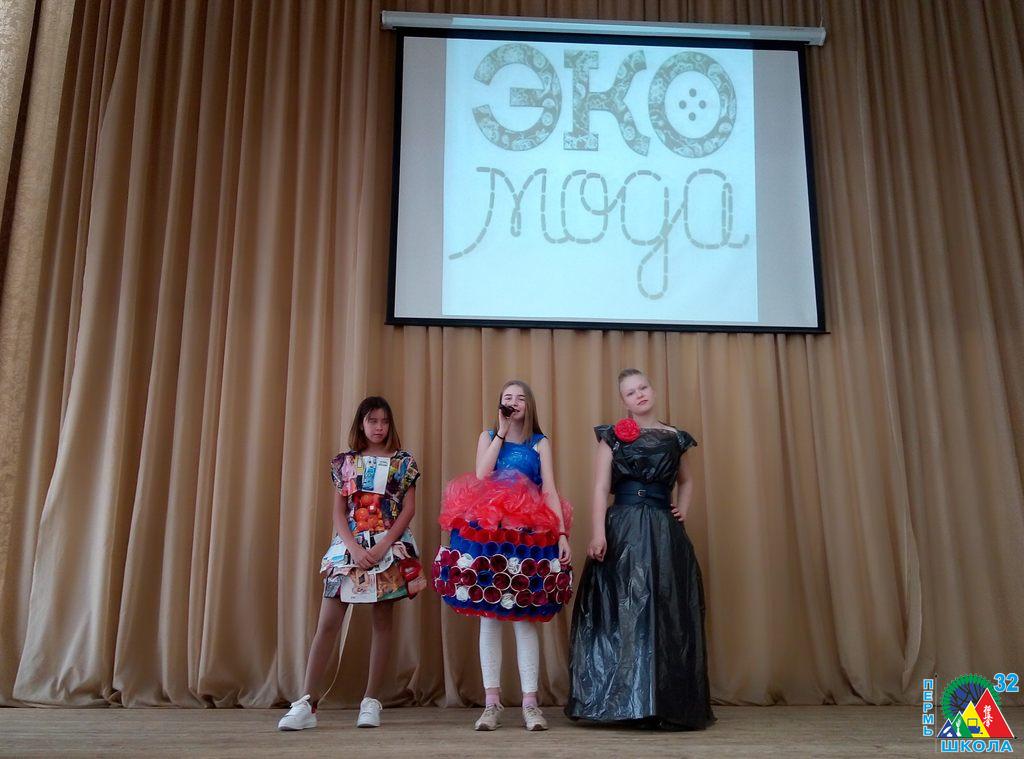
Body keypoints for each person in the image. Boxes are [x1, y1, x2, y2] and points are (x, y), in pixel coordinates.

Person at [565, 369, 714, 730]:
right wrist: (598, 534)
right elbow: (600, 488)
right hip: (624, 528)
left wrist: (683, 510)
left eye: (643, 387)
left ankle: (662, 703)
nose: (640, 394)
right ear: (624, 402)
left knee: (665, 610)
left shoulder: (676, 437)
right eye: (631, 392)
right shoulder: (612, 437)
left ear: (653, 389)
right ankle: (623, 704)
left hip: (663, 530)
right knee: (626, 612)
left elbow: (687, 481)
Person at [432, 380, 572, 732]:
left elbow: (549, 489)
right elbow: (481, 474)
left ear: (530, 405)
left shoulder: (540, 442)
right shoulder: (488, 435)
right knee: (490, 617)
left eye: (520, 397)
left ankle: (531, 705)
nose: (514, 402)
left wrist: (561, 534)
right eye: (508, 397)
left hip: (528, 535)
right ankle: (491, 704)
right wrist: (501, 432)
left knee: (525, 617)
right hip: (489, 532)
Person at [278, 396, 423, 731]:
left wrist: (384, 544)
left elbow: (409, 510)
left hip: (389, 548)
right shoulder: (345, 462)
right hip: (348, 549)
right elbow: (338, 512)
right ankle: (306, 703)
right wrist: (353, 547)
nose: (379, 427)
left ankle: (371, 701)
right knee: (328, 623)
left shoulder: (404, 462)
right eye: (372, 420)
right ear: (361, 423)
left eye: (384, 421)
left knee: (382, 622)